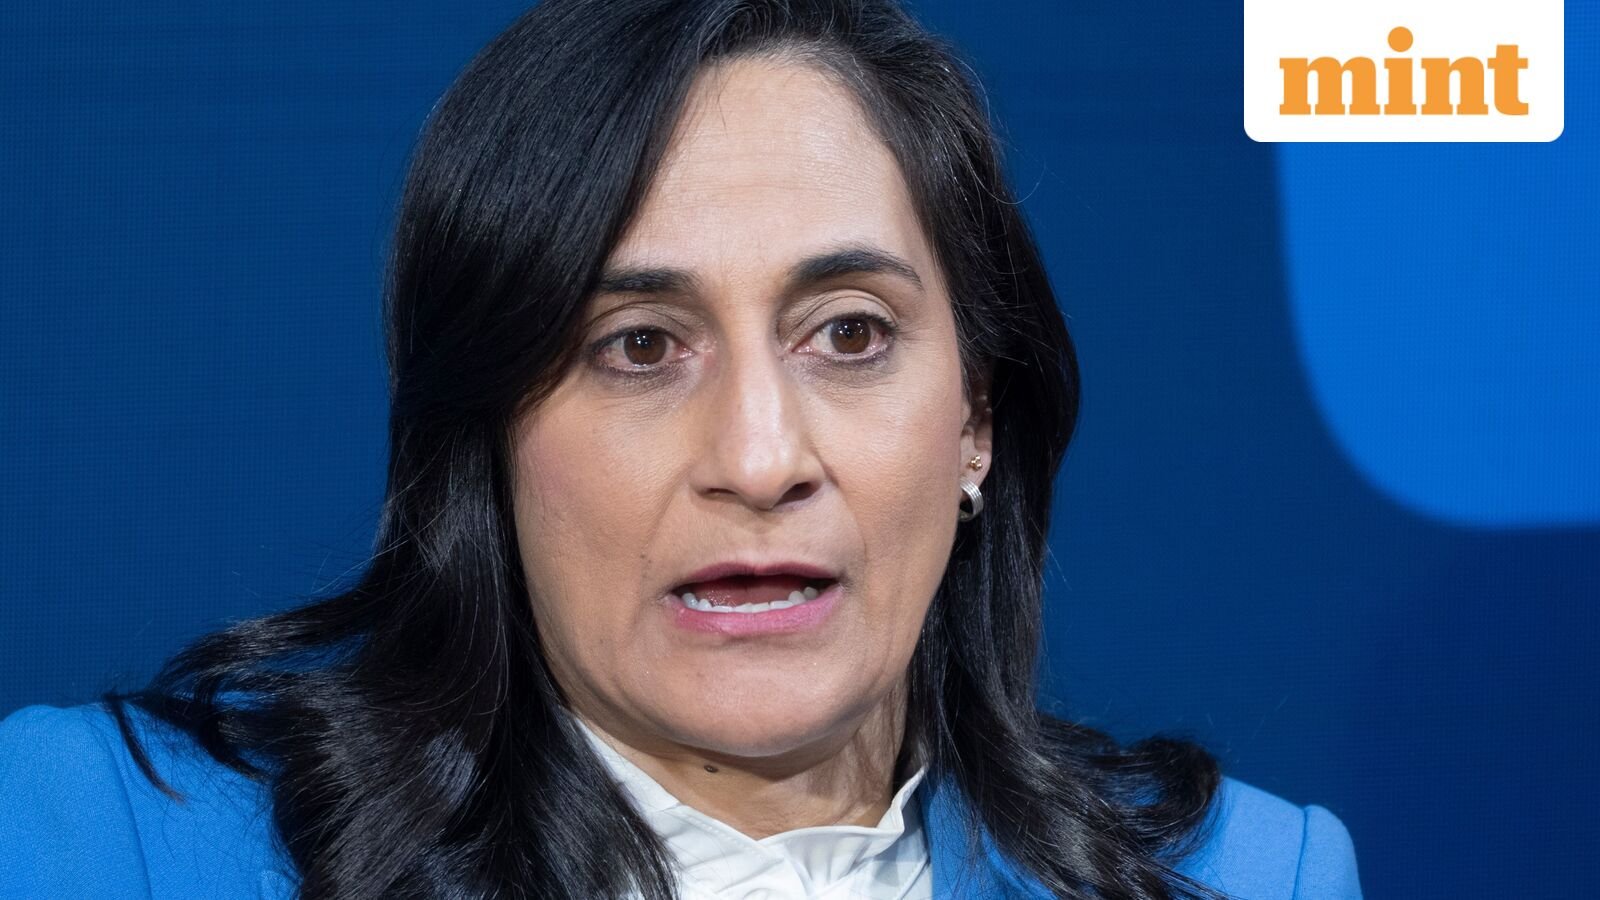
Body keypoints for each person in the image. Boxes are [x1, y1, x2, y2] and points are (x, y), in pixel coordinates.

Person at [0, 0, 1362, 897]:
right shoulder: (114, 839)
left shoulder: (1251, 875)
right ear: (489, 436)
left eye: (848, 333)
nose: (760, 460)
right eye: (640, 346)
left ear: (978, 422)